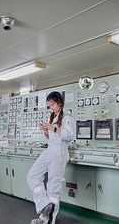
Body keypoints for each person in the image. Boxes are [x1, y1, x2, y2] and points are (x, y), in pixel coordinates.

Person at [27, 91, 76, 224]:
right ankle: (44, 204)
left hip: (59, 153)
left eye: (53, 104)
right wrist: (45, 131)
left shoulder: (67, 117)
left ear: (60, 103)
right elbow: (52, 137)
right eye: (49, 105)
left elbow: (69, 136)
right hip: (49, 150)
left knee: (53, 187)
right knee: (32, 176)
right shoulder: (53, 117)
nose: (51, 107)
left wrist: (52, 128)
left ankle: (48, 220)